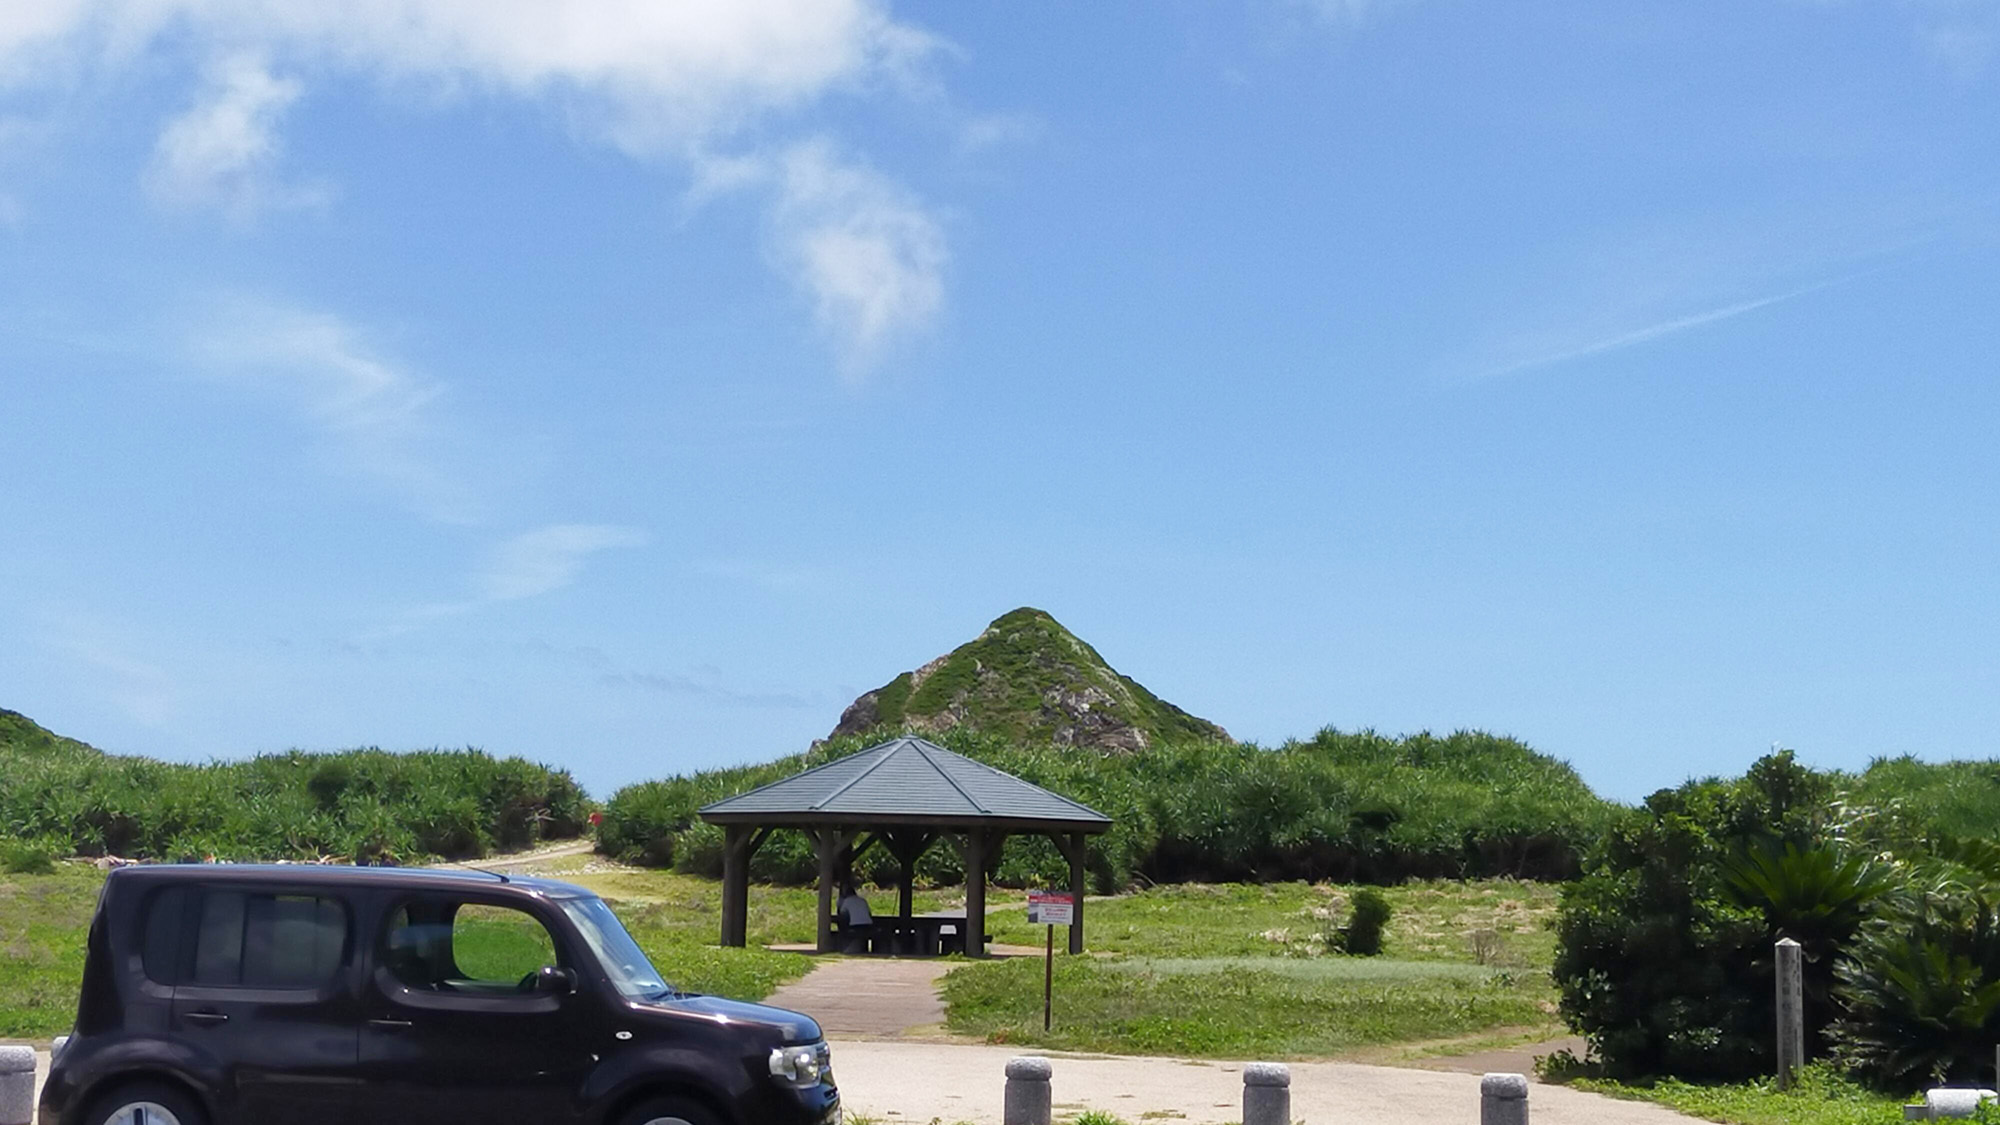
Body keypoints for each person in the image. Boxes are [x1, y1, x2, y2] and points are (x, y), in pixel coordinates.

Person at [837, 879, 874, 953]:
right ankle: (864, 949)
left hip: (855, 926)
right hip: (868, 926)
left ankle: (844, 947)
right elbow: (869, 913)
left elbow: (842, 913)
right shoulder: (863, 900)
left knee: (843, 928)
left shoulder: (847, 901)